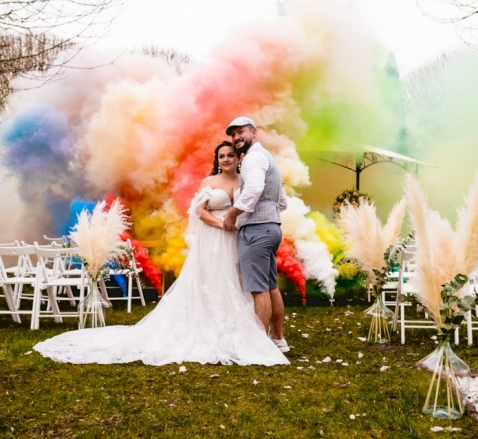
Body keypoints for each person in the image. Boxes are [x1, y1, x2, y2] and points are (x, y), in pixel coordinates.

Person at [34, 141, 289, 366]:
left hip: (237, 238)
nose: (226, 160)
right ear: (217, 160)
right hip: (216, 236)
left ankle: (244, 330)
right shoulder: (209, 182)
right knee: (212, 280)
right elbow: (199, 212)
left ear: (238, 158)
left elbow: (254, 202)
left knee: (239, 281)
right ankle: (209, 325)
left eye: (230, 155)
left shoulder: (245, 180)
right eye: (222, 156)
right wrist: (222, 224)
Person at [222, 117, 290, 353]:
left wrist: (233, 213)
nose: (237, 137)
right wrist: (267, 213)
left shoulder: (253, 158)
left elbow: (253, 189)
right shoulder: (267, 158)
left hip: (257, 230)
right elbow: (282, 201)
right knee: (271, 286)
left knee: (258, 288)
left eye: (241, 132)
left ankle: (259, 346)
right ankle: (278, 339)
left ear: (254, 132)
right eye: (233, 135)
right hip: (272, 227)